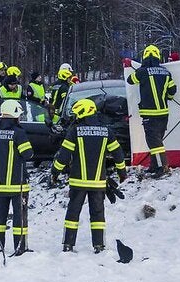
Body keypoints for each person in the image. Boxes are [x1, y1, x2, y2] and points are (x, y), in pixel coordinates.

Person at [51, 98, 127, 253]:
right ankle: (99, 245)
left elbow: (64, 156)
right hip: (98, 182)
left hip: (78, 182)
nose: (76, 118)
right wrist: (122, 173)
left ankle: (68, 244)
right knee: (98, 215)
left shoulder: (75, 131)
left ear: (83, 113)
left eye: (78, 114)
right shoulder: (106, 131)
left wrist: (55, 173)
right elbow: (118, 153)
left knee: (73, 213)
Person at [0, 100, 34, 255]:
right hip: (18, 185)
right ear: (14, 115)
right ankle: (20, 247)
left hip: (0, 185)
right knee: (19, 217)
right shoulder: (18, 133)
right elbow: (28, 154)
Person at [126, 44, 177, 178]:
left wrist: (141, 68)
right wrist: (168, 97)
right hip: (163, 113)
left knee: (154, 142)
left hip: (150, 114)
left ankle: (162, 168)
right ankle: (154, 166)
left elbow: (130, 80)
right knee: (157, 141)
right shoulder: (166, 72)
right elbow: (172, 91)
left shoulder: (142, 72)